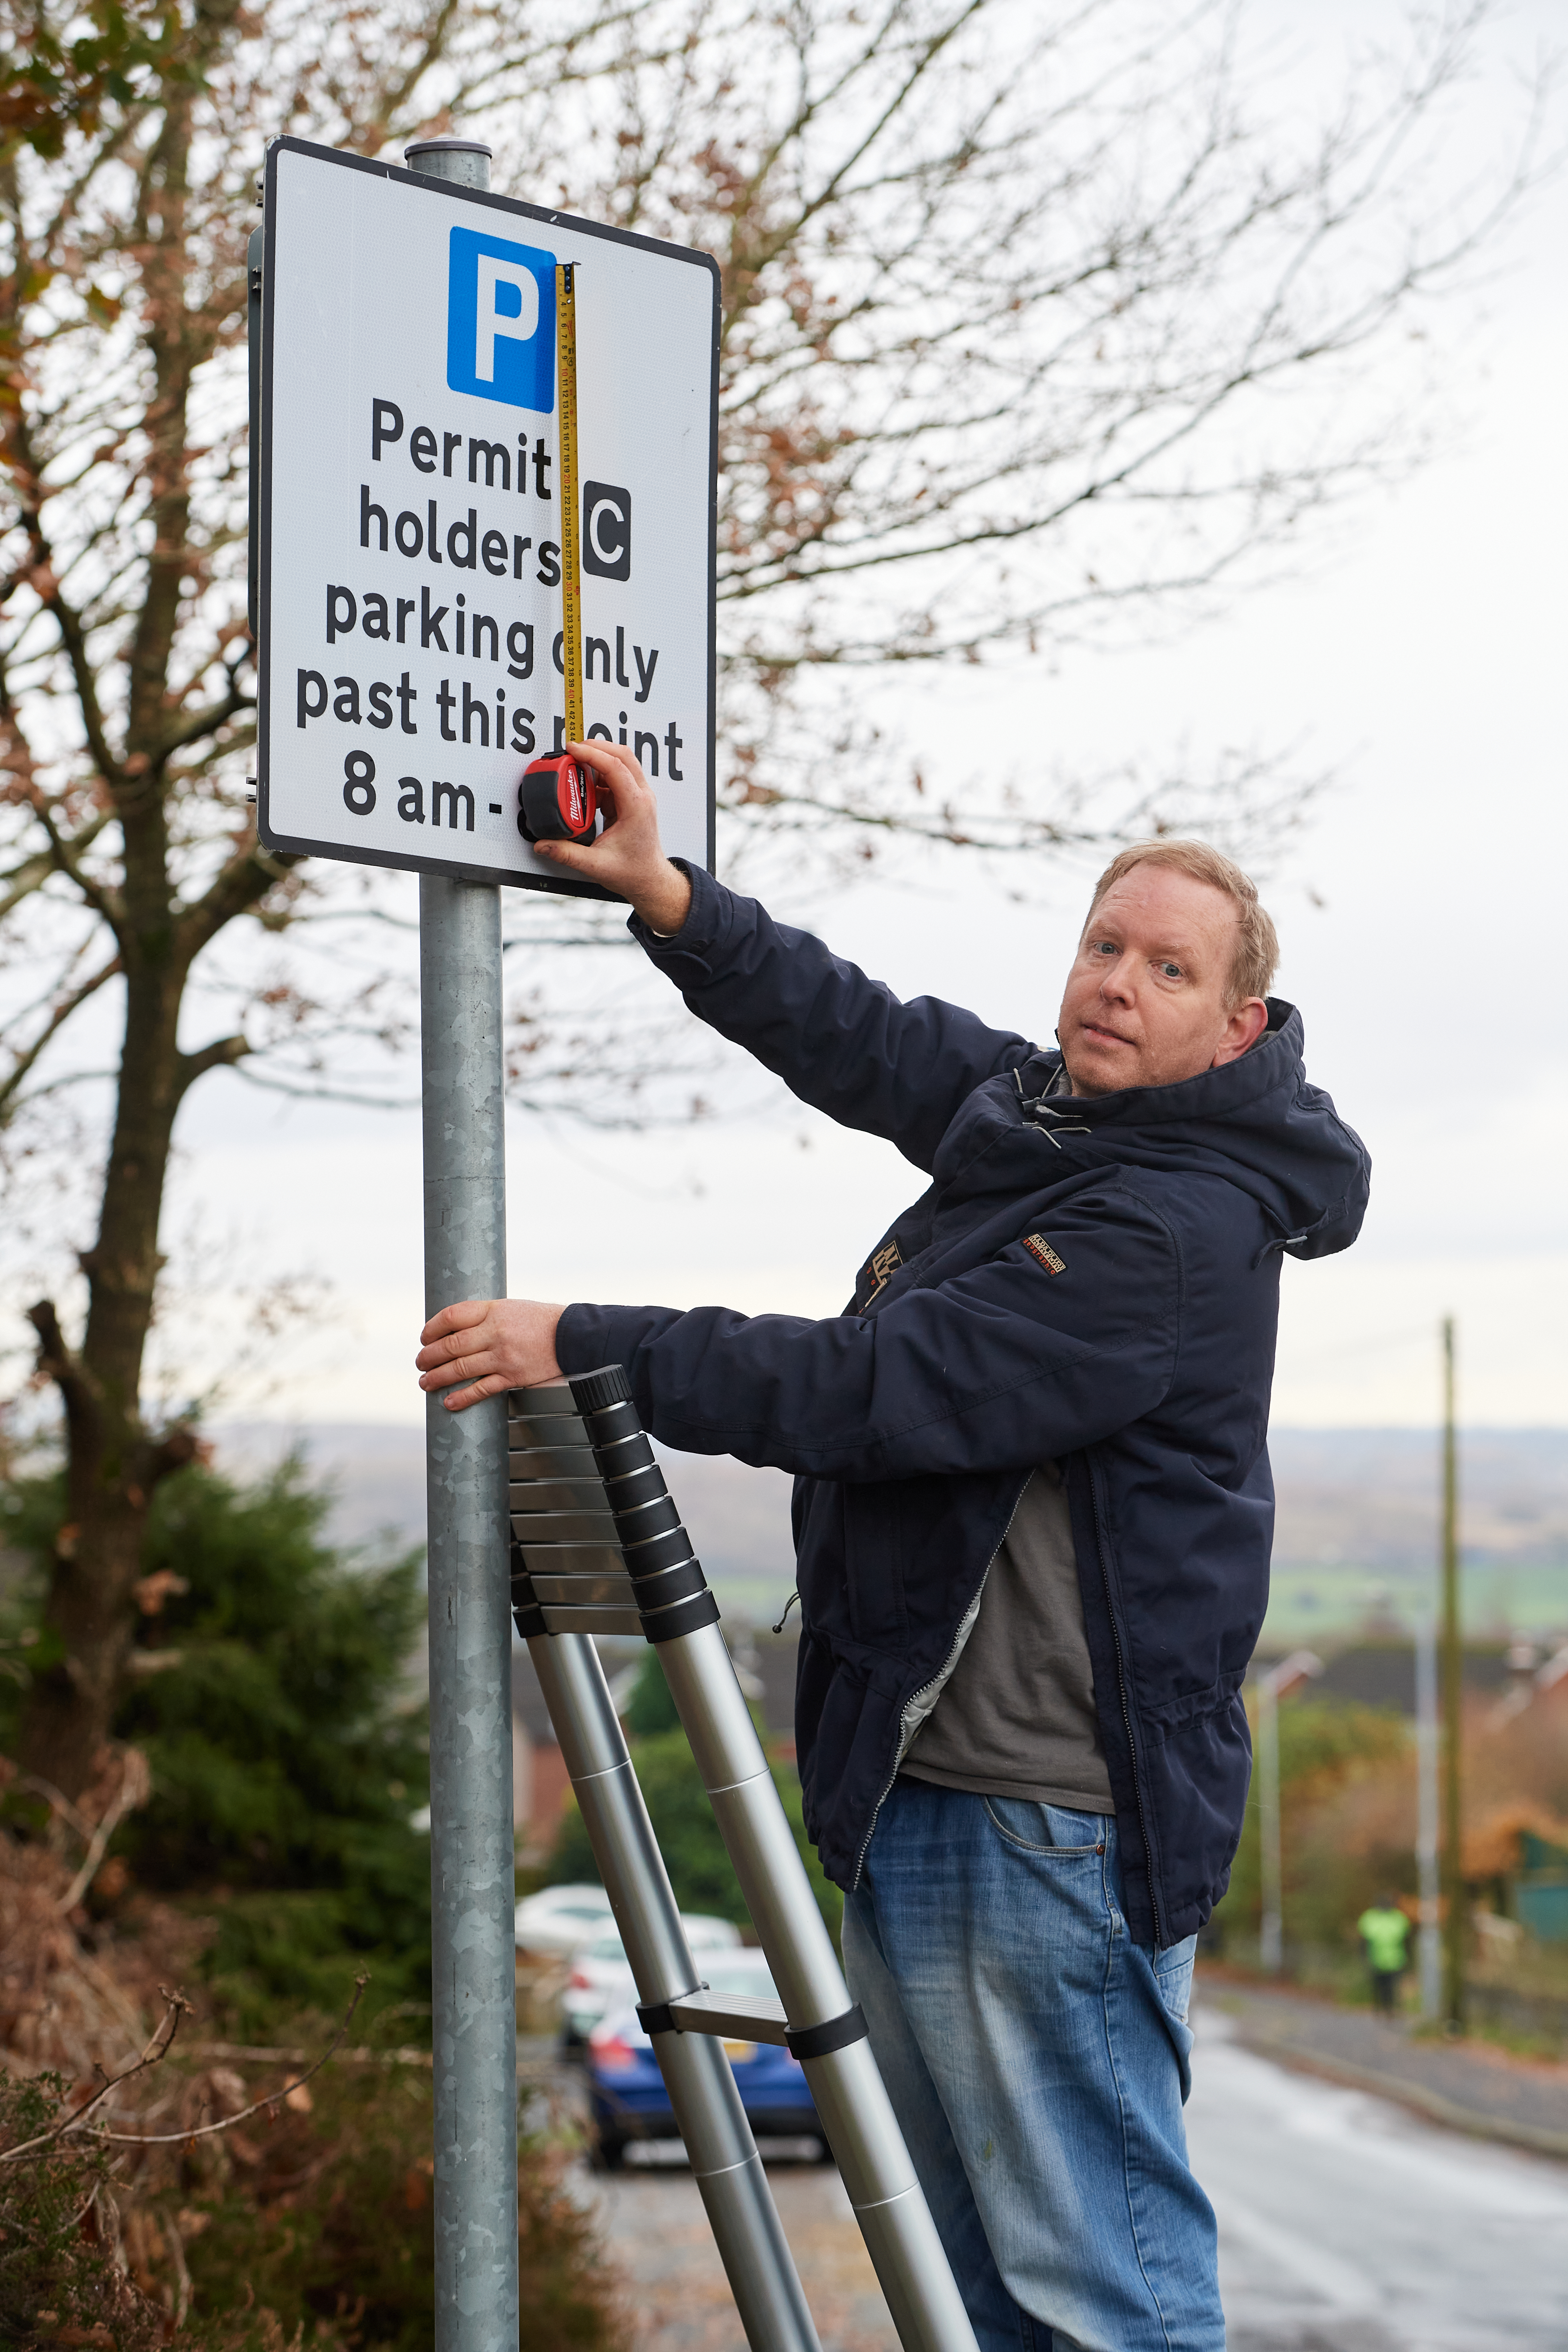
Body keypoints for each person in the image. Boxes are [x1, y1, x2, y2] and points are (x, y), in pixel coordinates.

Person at [416, 743, 1371, 2352]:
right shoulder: (1062, 1131)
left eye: (1167, 967)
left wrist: (583, 1341)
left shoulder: (1173, 1229)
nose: (1117, 983)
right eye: (1102, 943)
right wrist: (668, 897)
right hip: (936, 1793)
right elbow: (871, 1039)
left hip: (1046, 1831)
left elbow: (877, 1393)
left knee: (1101, 2306)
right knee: (968, 2301)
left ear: (1240, 1025)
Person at [1358, 1894, 1413, 2014]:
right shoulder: (1372, 1917)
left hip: (1393, 1959)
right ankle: (1380, 2007)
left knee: (1390, 1986)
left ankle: (1389, 2008)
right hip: (1378, 1958)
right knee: (1379, 1985)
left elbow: (1406, 1939)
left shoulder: (1397, 1918)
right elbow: (1364, 1940)